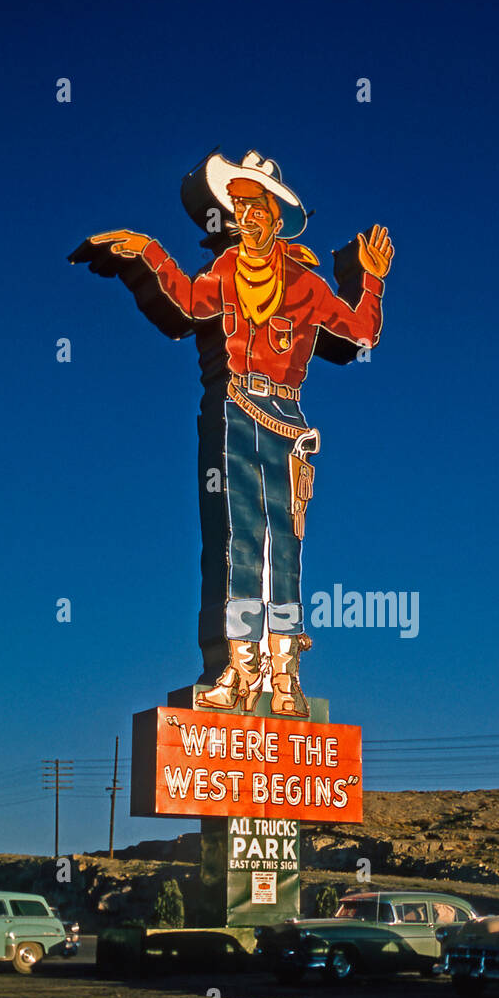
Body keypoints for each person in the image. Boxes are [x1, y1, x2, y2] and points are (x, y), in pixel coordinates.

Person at [79, 150, 394, 716]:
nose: (247, 216)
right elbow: (183, 301)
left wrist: (369, 278)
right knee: (240, 541)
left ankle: (286, 674)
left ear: (277, 220)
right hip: (234, 410)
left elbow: (361, 332)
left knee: (287, 548)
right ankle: (242, 670)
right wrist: (146, 252)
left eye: (259, 208)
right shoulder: (223, 272)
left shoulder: (306, 284)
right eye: (239, 207)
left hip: (287, 421)